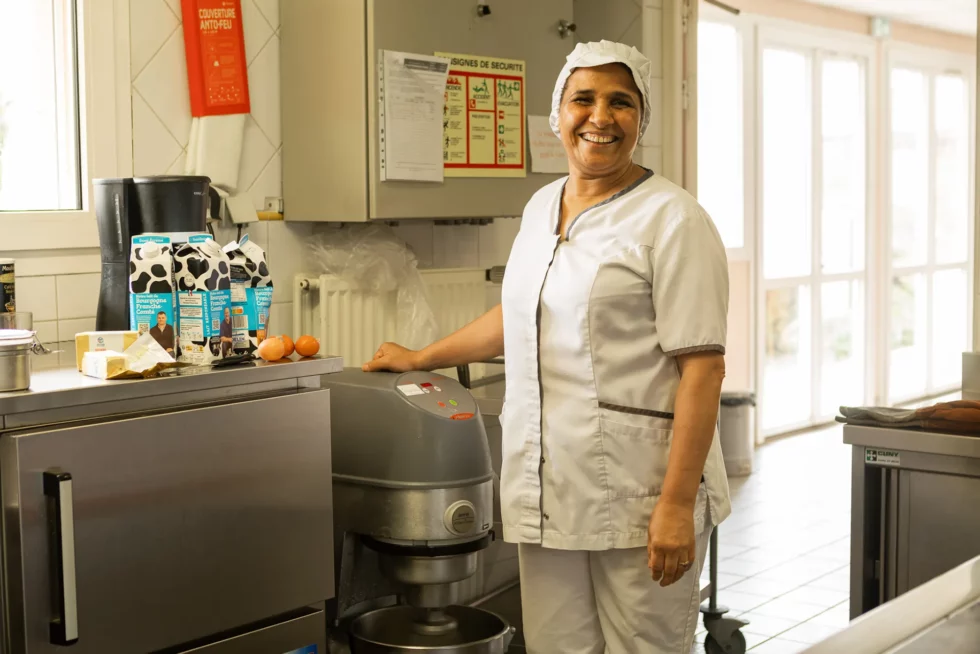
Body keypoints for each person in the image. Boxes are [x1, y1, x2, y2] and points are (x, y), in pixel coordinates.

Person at [364, 40, 731, 654]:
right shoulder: (540, 206)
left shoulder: (673, 219)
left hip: (641, 491)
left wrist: (676, 503)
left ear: (642, 119)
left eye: (621, 102)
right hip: (550, 485)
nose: (600, 116)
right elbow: (522, 313)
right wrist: (422, 356)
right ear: (557, 113)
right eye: (583, 99)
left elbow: (704, 369)